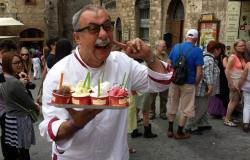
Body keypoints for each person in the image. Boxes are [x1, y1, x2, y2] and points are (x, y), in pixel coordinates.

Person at [39, 5, 173, 160]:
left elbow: (162, 82)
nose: (103, 34)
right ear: (77, 38)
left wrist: (148, 56)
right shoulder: (58, 74)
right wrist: (74, 124)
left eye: (107, 27)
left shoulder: (122, 62)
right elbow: (49, 128)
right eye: (93, 28)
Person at [0, 52, 40, 160]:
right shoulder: (15, 82)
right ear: (8, 64)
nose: (20, 64)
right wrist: (37, 106)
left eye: (20, 62)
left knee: (15, 147)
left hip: (9, 118)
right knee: (23, 150)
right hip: (20, 119)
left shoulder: (3, 77)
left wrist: (19, 81)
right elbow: (29, 103)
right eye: (16, 63)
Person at [167, 29, 204, 139]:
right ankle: (179, 132)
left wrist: (171, 76)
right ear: (196, 39)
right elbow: (199, 71)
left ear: (186, 37)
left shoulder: (176, 47)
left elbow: (168, 64)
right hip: (188, 83)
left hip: (174, 81)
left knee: (172, 103)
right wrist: (195, 84)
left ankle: (169, 130)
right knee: (186, 107)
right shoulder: (197, 50)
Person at [185, 41, 221, 134]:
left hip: (200, 87)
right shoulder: (209, 59)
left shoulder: (205, 56)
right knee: (200, 107)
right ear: (216, 50)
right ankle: (190, 126)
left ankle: (203, 123)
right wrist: (210, 87)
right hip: (202, 88)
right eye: (220, 50)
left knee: (203, 107)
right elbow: (207, 74)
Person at [0, 39, 17, 160]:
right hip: (4, 109)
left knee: (9, 134)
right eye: (11, 54)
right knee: (7, 134)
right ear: (3, 53)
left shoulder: (5, 65)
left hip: (7, 107)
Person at [224, 39, 246, 127]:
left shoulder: (241, 57)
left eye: (244, 45)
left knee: (235, 101)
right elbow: (227, 70)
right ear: (235, 47)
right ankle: (227, 119)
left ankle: (229, 117)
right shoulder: (233, 57)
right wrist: (230, 83)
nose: (243, 47)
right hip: (234, 81)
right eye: (240, 46)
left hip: (240, 81)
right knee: (233, 101)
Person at [150, 40, 168, 120]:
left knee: (164, 98)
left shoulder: (166, 55)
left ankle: (163, 113)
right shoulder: (152, 55)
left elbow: (169, 66)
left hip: (164, 80)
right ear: (157, 47)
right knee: (152, 98)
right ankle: (151, 113)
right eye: (163, 46)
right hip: (154, 80)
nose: (165, 48)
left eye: (165, 46)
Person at [238, 61, 250, 132]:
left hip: (247, 89)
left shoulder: (248, 64)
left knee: (247, 106)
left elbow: (243, 77)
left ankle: (246, 124)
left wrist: (239, 86)